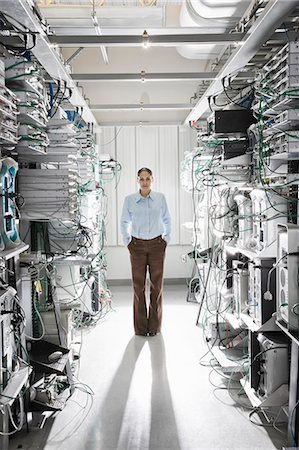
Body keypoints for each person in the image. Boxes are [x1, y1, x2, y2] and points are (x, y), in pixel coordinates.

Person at [121, 167, 171, 337]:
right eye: (141, 179)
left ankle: (154, 327)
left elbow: (167, 219)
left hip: (157, 244)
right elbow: (124, 221)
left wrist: (166, 239)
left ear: (152, 180)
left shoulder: (160, 198)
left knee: (156, 287)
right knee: (138, 287)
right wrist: (128, 241)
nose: (144, 182)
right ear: (137, 181)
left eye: (147, 178)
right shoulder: (130, 200)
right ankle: (141, 328)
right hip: (137, 246)